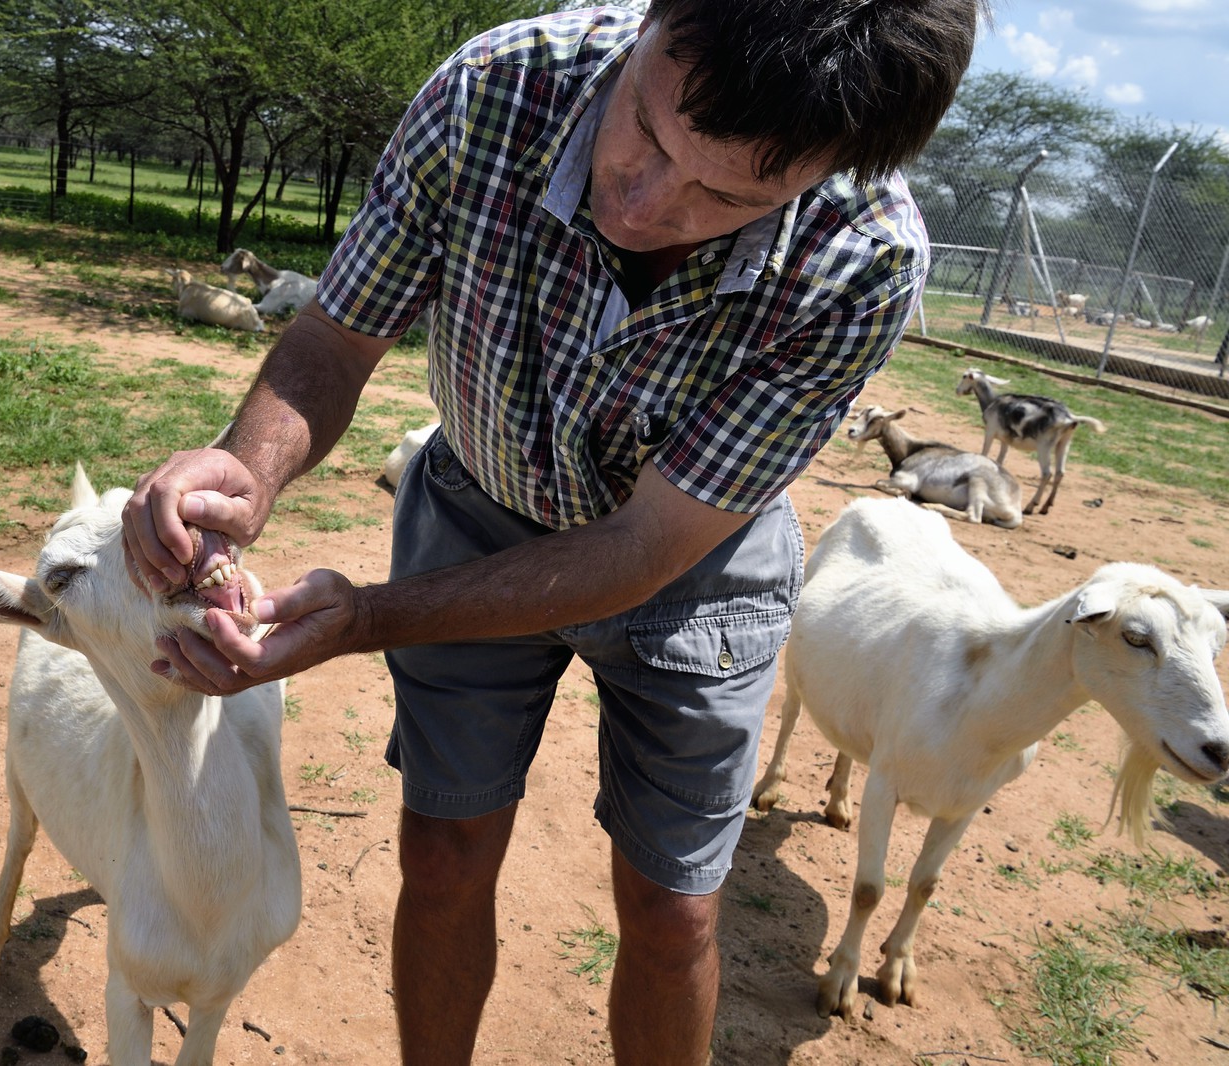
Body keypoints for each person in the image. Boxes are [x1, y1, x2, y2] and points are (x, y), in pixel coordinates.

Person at [121, 2, 981, 1061]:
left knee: (675, 915)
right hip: (474, 503)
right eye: (646, 130)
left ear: (835, 166)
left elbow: (637, 552)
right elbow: (337, 338)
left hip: (693, 563)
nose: (643, 197)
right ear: (652, 21)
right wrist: (241, 476)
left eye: (729, 194)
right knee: (442, 851)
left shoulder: (866, 258)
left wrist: (365, 619)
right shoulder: (495, 88)